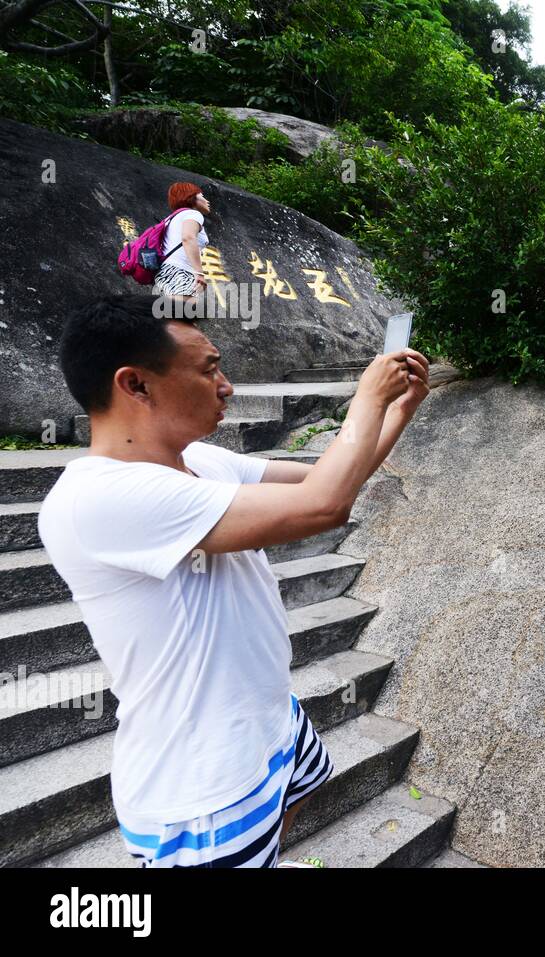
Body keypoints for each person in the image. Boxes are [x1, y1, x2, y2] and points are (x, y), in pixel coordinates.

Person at [37, 294, 431, 867]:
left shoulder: (199, 461)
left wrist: (397, 410)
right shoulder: (97, 497)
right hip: (203, 788)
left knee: (299, 790)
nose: (226, 385)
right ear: (136, 385)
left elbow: (331, 478)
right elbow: (324, 505)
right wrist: (366, 398)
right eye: (208, 368)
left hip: (271, 720)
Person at [152, 182, 212, 302]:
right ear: (191, 197)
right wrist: (199, 272)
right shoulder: (193, 214)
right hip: (180, 272)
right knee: (184, 314)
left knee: (174, 316)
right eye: (202, 196)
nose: (207, 201)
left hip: (166, 272)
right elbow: (188, 237)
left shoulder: (172, 218)